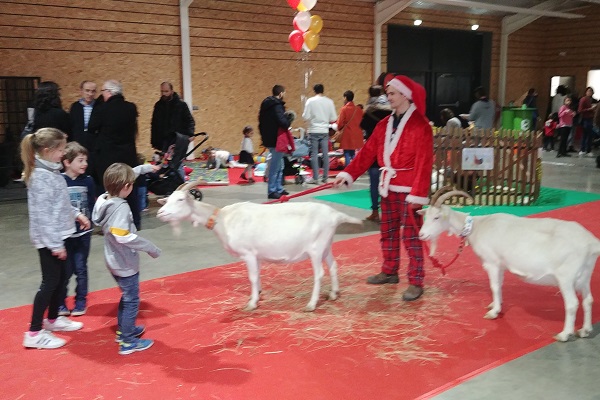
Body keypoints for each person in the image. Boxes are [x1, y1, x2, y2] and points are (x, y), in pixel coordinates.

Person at [333, 75, 433, 302]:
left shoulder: (421, 126)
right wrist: (347, 173)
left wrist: (417, 196)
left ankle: (416, 280)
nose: (388, 97)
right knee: (387, 232)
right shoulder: (383, 125)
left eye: (392, 93)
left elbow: (424, 163)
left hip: (409, 192)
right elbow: (367, 154)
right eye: (387, 93)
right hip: (387, 189)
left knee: (411, 236)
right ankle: (389, 271)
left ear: (405, 95)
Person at [20, 128, 90, 349]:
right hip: (49, 240)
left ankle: (52, 320)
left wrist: (77, 214)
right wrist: (55, 245)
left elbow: (60, 203)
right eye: (61, 150)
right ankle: (33, 332)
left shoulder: (52, 171)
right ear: (48, 150)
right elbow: (44, 216)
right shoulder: (40, 177)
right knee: (49, 283)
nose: (63, 153)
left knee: (60, 280)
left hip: (60, 235)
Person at [92, 162, 161, 355]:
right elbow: (123, 236)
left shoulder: (104, 199)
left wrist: (145, 168)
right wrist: (150, 248)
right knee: (132, 300)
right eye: (131, 183)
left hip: (113, 260)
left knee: (127, 296)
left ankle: (125, 330)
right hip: (124, 262)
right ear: (126, 187)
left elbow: (127, 176)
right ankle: (128, 342)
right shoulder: (121, 208)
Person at [88, 80, 142, 229]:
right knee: (129, 188)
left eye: (103, 91)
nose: (102, 95)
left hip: (107, 157)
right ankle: (135, 221)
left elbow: (92, 127)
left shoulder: (102, 109)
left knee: (109, 191)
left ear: (109, 92)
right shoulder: (131, 108)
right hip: (127, 156)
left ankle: (109, 223)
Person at [58, 142, 96, 317]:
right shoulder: (59, 181)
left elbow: (92, 203)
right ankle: (60, 303)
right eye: (80, 160)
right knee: (65, 270)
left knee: (81, 268)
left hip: (83, 234)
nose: (85, 164)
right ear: (67, 162)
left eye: (85, 160)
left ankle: (81, 300)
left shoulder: (88, 181)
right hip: (65, 234)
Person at [360, 85, 392, 223]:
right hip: (389, 150)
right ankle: (390, 212)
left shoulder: (369, 112)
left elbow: (362, 126)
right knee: (390, 182)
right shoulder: (392, 112)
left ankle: (375, 212)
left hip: (373, 151)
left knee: (374, 183)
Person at [258, 84, 290, 199]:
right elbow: (283, 122)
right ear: (281, 93)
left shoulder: (266, 105)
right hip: (277, 139)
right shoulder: (277, 106)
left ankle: (278, 188)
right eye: (284, 93)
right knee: (276, 166)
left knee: (279, 164)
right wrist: (289, 119)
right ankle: (272, 190)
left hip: (269, 138)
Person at [302, 83, 337, 184]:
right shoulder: (329, 102)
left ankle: (315, 177)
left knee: (314, 154)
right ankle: (325, 177)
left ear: (314, 91)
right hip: (324, 131)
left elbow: (305, 117)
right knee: (325, 154)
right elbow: (333, 118)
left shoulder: (310, 101)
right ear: (323, 90)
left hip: (313, 130)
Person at [150, 81, 195, 153]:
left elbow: (189, 120)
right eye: (162, 91)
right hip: (164, 139)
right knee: (165, 161)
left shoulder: (181, 105)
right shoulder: (158, 105)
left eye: (166, 91)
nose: (164, 94)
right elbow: (154, 124)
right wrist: (154, 141)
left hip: (178, 138)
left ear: (172, 91)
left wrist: (190, 134)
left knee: (176, 160)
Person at [69, 81, 99, 186]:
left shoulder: (98, 106)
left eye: (93, 91)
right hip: (79, 142)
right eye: (87, 91)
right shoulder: (75, 107)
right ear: (81, 91)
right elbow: (72, 126)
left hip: (94, 145)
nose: (90, 94)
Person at [334, 90, 364, 167]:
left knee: (347, 153)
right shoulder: (359, 109)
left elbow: (340, 123)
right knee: (353, 153)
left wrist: (338, 128)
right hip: (357, 134)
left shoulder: (344, 109)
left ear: (346, 98)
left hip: (347, 134)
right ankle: (355, 169)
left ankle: (347, 171)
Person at [578, 87, 596, 157]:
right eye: (588, 91)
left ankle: (588, 150)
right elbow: (580, 110)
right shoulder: (583, 99)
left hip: (591, 118)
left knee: (590, 135)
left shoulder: (592, 100)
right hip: (585, 119)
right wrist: (590, 109)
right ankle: (583, 149)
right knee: (585, 134)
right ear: (586, 92)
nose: (590, 92)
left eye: (591, 91)